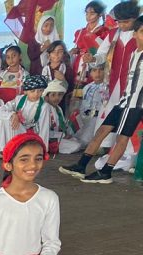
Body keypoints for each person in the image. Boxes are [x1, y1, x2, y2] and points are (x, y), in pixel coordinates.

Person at [61, 13, 143, 182]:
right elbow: (102, 55)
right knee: (102, 131)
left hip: (135, 104)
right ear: (134, 33)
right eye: (141, 31)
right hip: (124, 100)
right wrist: (92, 59)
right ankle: (81, 165)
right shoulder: (134, 52)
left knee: (122, 137)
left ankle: (106, 172)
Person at [0, 74, 54, 155]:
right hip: (18, 129)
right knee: (7, 120)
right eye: (32, 91)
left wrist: (42, 149)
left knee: (11, 122)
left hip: (31, 133)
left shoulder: (44, 106)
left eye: (40, 91)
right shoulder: (19, 99)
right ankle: (2, 150)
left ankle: (13, 150)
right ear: (26, 91)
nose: (36, 94)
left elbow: (44, 127)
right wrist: (13, 114)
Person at [70, 2, 111, 94]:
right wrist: (75, 51)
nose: (88, 16)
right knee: (76, 90)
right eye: (87, 13)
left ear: (100, 14)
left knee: (91, 90)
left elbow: (104, 50)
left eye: (92, 13)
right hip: (80, 62)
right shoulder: (80, 32)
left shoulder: (105, 32)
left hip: (94, 63)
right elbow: (78, 48)